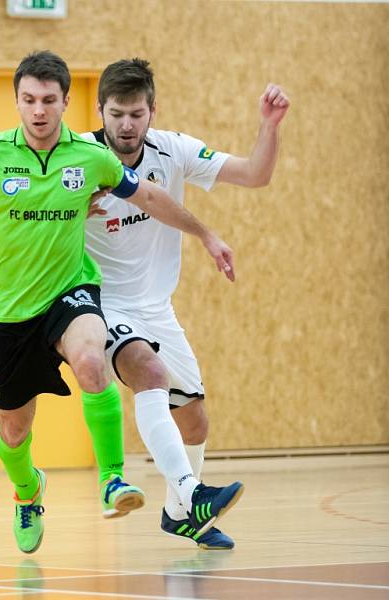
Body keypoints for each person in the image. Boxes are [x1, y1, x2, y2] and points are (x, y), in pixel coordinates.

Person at [0, 50, 243, 554]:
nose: (39, 110)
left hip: (72, 293)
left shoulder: (91, 158)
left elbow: (150, 197)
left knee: (93, 359)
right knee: (14, 429)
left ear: (67, 102)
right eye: (28, 100)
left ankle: (112, 479)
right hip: (10, 313)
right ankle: (28, 492)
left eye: (49, 100)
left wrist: (205, 233)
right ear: (17, 102)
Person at [84, 58, 290, 549]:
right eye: (117, 114)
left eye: (136, 113)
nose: (127, 124)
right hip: (102, 305)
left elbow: (255, 174)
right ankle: (191, 492)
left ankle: (181, 516)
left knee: (195, 417)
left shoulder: (172, 150)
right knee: (150, 376)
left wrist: (268, 127)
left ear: (152, 110)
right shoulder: (80, 161)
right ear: (100, 111)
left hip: (158, 309)